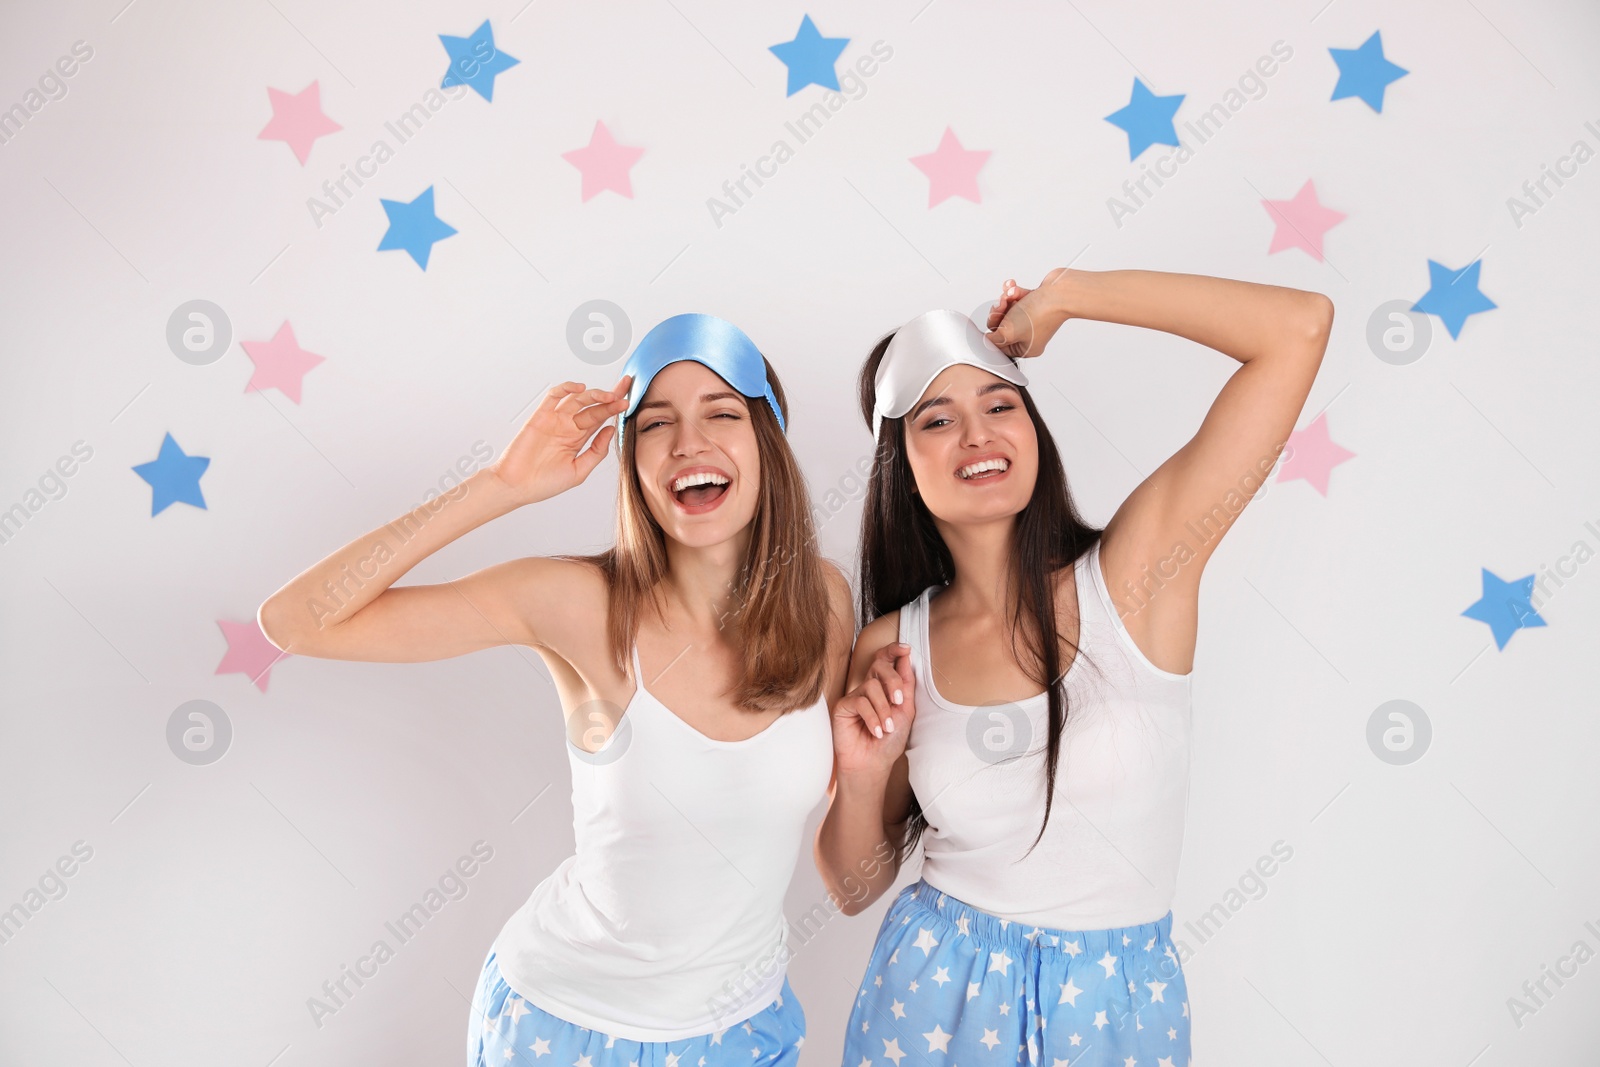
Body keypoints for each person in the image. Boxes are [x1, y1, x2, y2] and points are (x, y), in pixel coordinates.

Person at [257, 313, 854, 1067]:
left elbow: (840, 815)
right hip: (567, 1028)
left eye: (722, 414)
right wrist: (500, 485)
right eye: (656, 424)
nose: (688, 444)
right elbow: (294, 620)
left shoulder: (824, 601)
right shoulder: (579, 603)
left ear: (766, 444)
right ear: (630, 459)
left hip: (744, 1032)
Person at [814, 270, 1333, 1066]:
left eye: (999, 405)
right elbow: (854, 886)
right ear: (902, 465)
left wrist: (1067, 295)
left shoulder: (1137, 576)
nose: (976, 435)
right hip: (930, 1001)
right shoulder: (892, 642)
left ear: (1034, 428)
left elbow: (1298, 327)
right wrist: (863, 767)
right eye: (937, 420)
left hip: (1117, 1009)